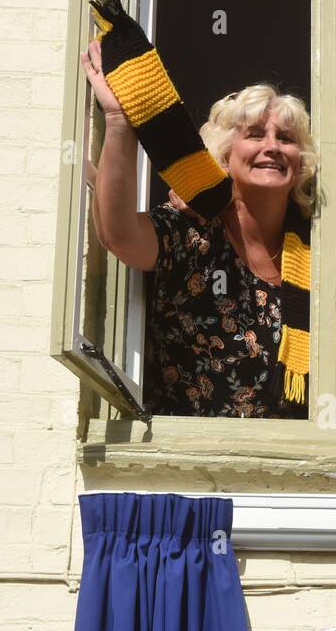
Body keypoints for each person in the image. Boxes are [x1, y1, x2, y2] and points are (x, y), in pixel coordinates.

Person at [81, 41, 318, 418]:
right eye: (256, 135)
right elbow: (118, 234)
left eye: (285, 139)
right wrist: (117, 122)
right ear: (225, 153)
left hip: (289, 467)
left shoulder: (317, 252)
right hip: (189, 463)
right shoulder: (192, 231)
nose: (272, 147)